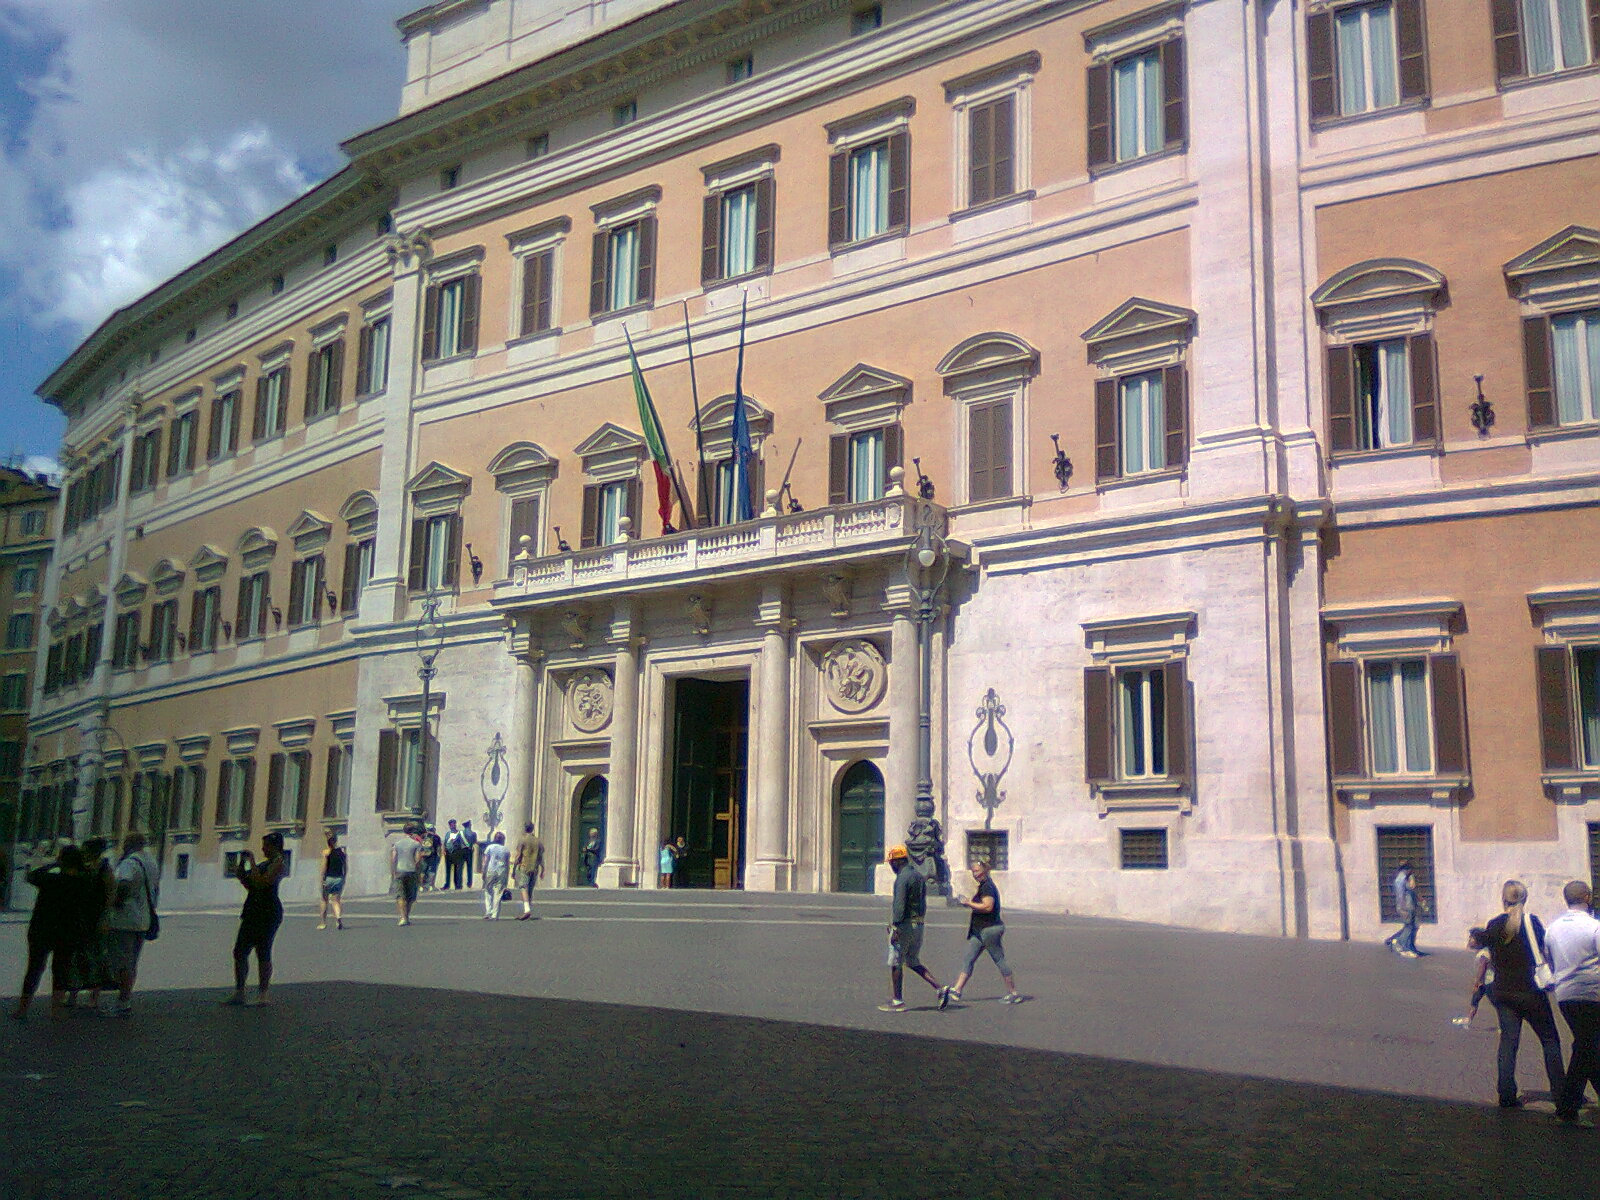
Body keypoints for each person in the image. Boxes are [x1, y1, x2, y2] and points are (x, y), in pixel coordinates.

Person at [1481, 880, 1566, 1109]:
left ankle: (1506, 1095)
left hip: (1503, 990)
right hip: (1530, 992)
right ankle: (1561, 1095)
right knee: (1550, 1040)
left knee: (1508, 1043)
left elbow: (1488, 951)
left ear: (1503, 900)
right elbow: (1545, 950)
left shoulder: (1494, 925)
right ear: (1525, 899)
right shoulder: (1532, 922)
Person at [10, 845, 90, 1020]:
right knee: (61, 969)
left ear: (62, 860)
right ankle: (56, 1010)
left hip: (42, 929)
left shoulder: (50, 879)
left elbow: (31, 876)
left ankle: (23, 1009)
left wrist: (53, 864)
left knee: (34, 968)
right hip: (68, 930)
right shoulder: (83, 882)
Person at [1544, 879, 1600, 1127]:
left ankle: (1569, 1105)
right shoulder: (1594, 927)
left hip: (1565, 995)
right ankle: (1567, 1107)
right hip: (1592, 994)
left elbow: (1550, 959)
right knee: (1587, 1047)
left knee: (1586, 1045)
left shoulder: (1553, 929)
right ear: (1587, 897)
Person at [878, 844, 948, 1012]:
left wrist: (895, 926)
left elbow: (899, 904)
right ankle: (939, 988)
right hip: (919, 924)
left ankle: (897, 1001)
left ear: (897, 861)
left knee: (896, 962)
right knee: (912, 960)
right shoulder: (918, 876)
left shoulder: (902, 878)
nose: (891, 866)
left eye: (892, 863)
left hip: (905, 925)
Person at [224, 832, 287, 1007]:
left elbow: (262, 882)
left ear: (275, 847)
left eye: (266, 846)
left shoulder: (278, 864)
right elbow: (250, 884)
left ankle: (263, 993)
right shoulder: (264, 864)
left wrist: (251, 862)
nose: (263, 849)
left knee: (263, 951)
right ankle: (240, 991)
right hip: (252, 909)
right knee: (240, 951)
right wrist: (242, 867)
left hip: (268, 912)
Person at [946, 859, 1021, 1005]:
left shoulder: (988, 887)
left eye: (977, 871)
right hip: (979, 930)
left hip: (990, 930)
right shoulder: (983, 886)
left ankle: (1013, 993)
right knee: (969, 959)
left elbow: (988, 906)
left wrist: (968, 902)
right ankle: (957, 990)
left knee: (999, 959)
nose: (975, 874)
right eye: (973, 871)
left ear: (984, 871)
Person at [104, 833, 160, 1018]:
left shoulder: (129, 863)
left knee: (122, 963)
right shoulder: (150, 862)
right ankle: (125, 998)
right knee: (132, 962)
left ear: (128, 844)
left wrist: (114, 902)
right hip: (143, 920)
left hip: (124, 920)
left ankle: (123, 1001)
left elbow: (124, 884)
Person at [1453, 928, 1493, 1028]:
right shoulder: (1484, 951)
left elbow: (1482, 968)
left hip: (1486, 982)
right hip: (1486, 982)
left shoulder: (1484, 953)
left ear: (1479, 941)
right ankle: (1468, 1019)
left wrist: (1477, 982)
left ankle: (1468, 1020)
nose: (1469, 939)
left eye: (1471, 938)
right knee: (1475, 1000)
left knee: (1484, 1001)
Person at [1383, 861, 1422, 957]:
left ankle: (1408, 946)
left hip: (1411, 906)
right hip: (1405, 907)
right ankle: (1402, 946)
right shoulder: (1400, 879)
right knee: (1409, 926)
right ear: (1407, 869)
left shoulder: (1406, 878)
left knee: (1414, 926)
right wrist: (1403, 909)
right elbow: (1400, 895)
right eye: (1411, 870)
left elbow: (1412, 887)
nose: (1412, 872)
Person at [392, 823, 425, 925]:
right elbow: (418, 859)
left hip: (399, 870)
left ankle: (403, 917)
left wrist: (393, 871)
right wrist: (418, 872)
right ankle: (407, 916)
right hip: (411, 871)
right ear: (413, 831)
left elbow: (393, 858)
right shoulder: (416, 844)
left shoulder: (397, 844)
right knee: (411, 896)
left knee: (400, 895)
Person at [513, 823, 545, 920]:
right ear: (532, 829)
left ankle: (527, 910)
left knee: (523, 887)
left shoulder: (522, 840)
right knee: (530, 890)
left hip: (524, 866)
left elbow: (518, 855)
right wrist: (543, 869)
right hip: (535, 868)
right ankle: (528, 909)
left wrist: (513, 869)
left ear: (525, 828)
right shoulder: (538, 841)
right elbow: (541, 856)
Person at [318, 831, 347, 931]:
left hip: (329, 878)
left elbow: (324, 866)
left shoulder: (326, 852)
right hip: (339, 878)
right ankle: (338, 918)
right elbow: (345, 867)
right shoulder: (342, 853)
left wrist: (322, 878)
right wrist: (344, 876)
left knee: (324, 900)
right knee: (336, 900)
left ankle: (323, 923)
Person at [481, 831, 511, 920]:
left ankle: (488, 911)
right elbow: (507, 864)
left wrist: (483, 872)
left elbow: (485, 861)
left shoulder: (489, 847)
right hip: (502, 872)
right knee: (498, 893)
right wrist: (507, 876)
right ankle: (495, 914)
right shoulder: (506, 850)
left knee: (488, 891)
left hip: (491, 871)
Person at [443, 819, 466, 890]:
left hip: (457, 853)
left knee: (457, 870)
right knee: (448, 870)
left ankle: (458, 885)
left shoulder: (459, 833)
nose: (452, 826)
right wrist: (444, 850)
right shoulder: (448, 834)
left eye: (453, 824)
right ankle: (447, 885)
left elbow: (463, 843)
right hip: (448, 854)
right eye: (451, 824)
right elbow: (445, 842)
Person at [421, 824, 443, 892]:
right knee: (432, 871)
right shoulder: (436, 837)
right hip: (433, 856)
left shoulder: (423, 836)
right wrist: (439, 857)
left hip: (424, 856)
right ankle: (431, 886)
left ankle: (421, 886)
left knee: (423, 871)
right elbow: (439, 848)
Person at [462, 820, 480, 889]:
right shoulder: (473, 834)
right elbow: (475, 842)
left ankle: (459, 882)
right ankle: (469, 883)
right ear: (469, 825)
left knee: (460, 867)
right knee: (469, 868)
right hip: (469, 851)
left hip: (462, 851)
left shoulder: (461, 833)